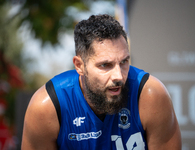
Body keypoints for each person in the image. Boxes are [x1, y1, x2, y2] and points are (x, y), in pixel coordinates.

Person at [21, 14, 181, 150]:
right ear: (79, 65)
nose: (118, 76)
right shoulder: (47, 106)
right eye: (105, 65)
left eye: (124, 62)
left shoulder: (150, 94)